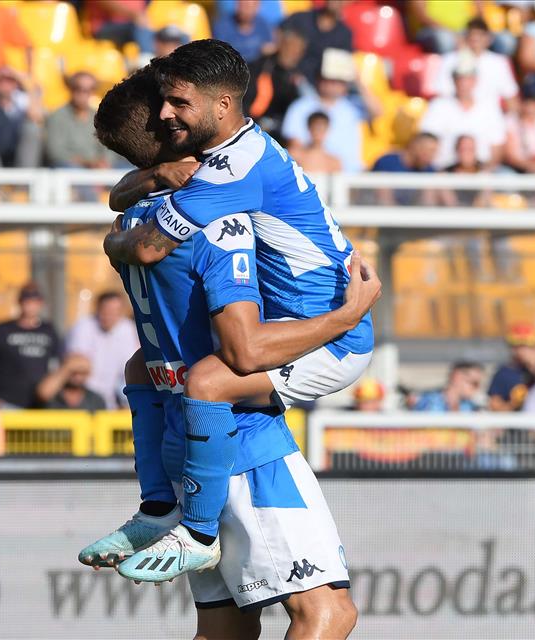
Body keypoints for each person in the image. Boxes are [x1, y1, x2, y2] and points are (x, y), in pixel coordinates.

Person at [88, 65, 374, 637]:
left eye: (179, 101)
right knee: (327, 612)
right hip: (242, 444)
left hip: (186, 447)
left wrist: (117, 225)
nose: (172, 112)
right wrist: (346, 315)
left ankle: (161, 511)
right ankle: (190, 531)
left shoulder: (136, 214)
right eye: (167, 105)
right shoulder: (218, 220)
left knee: (226, 631)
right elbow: (241, 352)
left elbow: (138, 350)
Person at [0, 282, 61, 409]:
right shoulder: (1, 330)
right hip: (6, 406)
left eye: (35, 299)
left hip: (40, 408)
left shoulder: (49, 331)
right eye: (27, 298)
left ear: (41, 302)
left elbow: (59, 366)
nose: (30, 304)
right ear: (19, 301)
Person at [419, 59, 506, 170]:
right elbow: (426, 143)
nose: (464, 83)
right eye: (460, 78)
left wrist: (486, 173)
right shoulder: (438, 105)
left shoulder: (490, 107)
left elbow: (497, 146)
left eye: (468, 78)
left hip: (481, 171)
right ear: (453, 80)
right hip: (444, 171)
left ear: (475, 80)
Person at [282, 70, 375, 173]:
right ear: (319, 79)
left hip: (352, 177)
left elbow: (378, 112)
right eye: (328, 79)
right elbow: (295, 148)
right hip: (313, 174)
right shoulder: (300, 106)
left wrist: (359, 81)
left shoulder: (353, 106)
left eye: (338, 80)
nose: (333, 84)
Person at [66, 292, 139, 409]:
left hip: (114, 404)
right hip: (86, 401)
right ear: (97, 309)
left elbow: (130, 371)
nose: (109, 315)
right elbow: (76, 364)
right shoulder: (83, 326)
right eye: (105, 310)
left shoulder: (128, 330)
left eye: (114, 311)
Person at [243, 22, 309, 145]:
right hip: (252, 126)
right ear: (281, 46)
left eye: (298, 51)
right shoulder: (260, 68)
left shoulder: (298, 77)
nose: (294, 54)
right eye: (290, 48)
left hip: (282, 131)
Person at [435, 18, 519, 112]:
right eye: (472, 34)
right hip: (454, 116)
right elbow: (442, 94)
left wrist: (513, 121)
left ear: (489, 38)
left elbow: (511, 96)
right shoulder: (449, 60)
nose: (475, 39)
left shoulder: (499, 63)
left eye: (480, 35)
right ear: (465, 37)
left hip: (489, 118)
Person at [45, 72, 112, 169]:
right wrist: (87, 163)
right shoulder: (56, 116)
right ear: (71, 89)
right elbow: (55, 153)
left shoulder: (100, 117)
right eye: (79, 88)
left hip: (97, 170)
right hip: (70, 170)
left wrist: (104, 163)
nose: (84, 93)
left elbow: (108, 149)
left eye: (90, 89)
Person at [281, 0, 353, 83]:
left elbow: (341, 66)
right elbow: (279, 36)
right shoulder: (301, 18)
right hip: (287, 76)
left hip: (319, 84)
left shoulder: (344, 34)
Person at [487, 322, 535, 411]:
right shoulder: (503, 374)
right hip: (514, 423)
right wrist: (513, 404)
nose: (523, 350)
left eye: (527, 346)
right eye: (519, 346)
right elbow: (495, 408)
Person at [371, 132, 441, 206]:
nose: (432, 156)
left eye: (434, 152)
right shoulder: (388, 162)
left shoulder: (428, 169)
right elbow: (383, 197)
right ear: (415, 146)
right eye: (429, 150)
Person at [36, 353, 107, 411]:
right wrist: (67, 368)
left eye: (82, 372)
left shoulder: (95, 400)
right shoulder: (53, 395)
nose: (77, 376)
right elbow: (43, 394)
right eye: (73, 372)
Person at [86, 0, 153, 57]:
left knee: (158, 34)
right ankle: (148, 62)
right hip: (105, 27)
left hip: (136, 26)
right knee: (140, 28)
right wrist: (133, 15)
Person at [412, 360, 484, 412]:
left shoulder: (471, 407)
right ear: (457, 377)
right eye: (474, 383)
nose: (477, 388)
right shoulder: (428, 401)